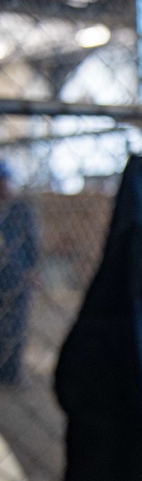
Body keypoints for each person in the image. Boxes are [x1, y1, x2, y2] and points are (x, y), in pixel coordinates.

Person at [0, 160, 39, 385]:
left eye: (6, 181)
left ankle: (11, 373)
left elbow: (32, 243)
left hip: (18, 274)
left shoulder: (21, 210)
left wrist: (33, 270)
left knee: (17, 324)